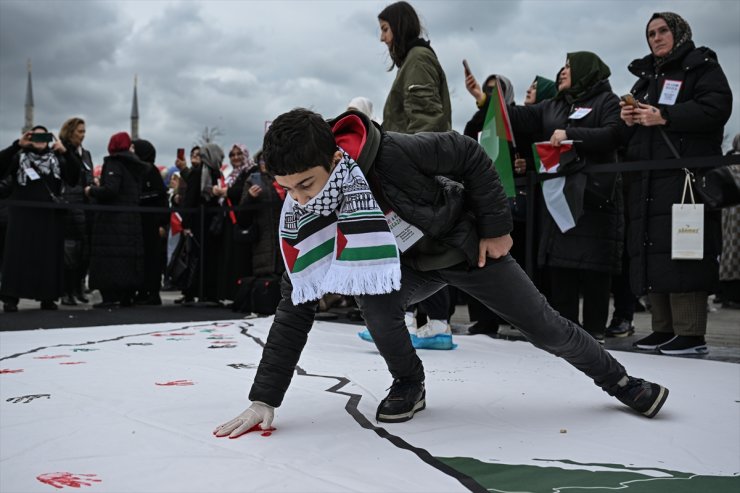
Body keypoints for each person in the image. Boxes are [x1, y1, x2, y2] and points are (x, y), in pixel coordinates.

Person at [213, 108, 670, 438]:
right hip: (401, 269)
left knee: (544, 326)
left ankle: (620, 381)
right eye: (287, 188)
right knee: (374, 301)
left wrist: (494, 228)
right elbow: (295, 307)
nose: (301, 199)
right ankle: (409, 382)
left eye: (307, 184)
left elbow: (469, 154)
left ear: (335, 159)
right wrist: (264, 398)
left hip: (460, 249)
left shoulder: (392, 152)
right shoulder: (302, 215)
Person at [619, 12, 733, 355]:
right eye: (651, 33)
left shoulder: (703, 67)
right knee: (654, 253)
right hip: (650, 181)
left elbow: (717, 108)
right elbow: (636, 132)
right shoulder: (644, 79)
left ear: (680, 32)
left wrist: (666, 115)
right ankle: (663, 328)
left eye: (663, 30)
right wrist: (628, 119)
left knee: (685, 253)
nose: (656, 37)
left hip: (684, 180)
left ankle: (690, 333)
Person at [507, 52, 623, 344]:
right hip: (558, 199)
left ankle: (595, 332)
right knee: (561, 267)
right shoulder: (553, 105)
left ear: (586, 70)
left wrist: (570, 134)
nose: (563, 72)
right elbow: (519, 116)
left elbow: (613, 134)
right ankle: (567, 336)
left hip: (593, 199)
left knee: (594, 268)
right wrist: (489, 101)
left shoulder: (607, 101)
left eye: (570, 67)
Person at [375, 1, 455, 347]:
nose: (382, 39)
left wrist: (404, 166)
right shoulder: (412, 62)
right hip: (411, 167)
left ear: (400, 28)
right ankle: (409, 320)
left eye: (385, 29)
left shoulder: (419, 60)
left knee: (421, 248)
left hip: (416, 169)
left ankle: (433, 323)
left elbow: (426, 122)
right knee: (410, 248)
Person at [0, 126, 79, 312]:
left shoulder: (57, 158)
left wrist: (66, 153)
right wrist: (16, 145)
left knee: (48, 257)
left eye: (43, 135)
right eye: (34, 135)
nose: (39, 139)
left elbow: (74, 178)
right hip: (22, 216)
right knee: (18, 256)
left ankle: (48, 296)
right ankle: (12, 297)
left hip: (49, 217)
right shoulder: (18, 157)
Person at [85, 132, 147, 308]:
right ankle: (126, 294)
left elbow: (111, 190)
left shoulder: (114, 163)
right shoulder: (136, 165)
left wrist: (92, 190)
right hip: (131, 220)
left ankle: (110, 296)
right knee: (127, 259)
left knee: (110, 259)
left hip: (113, 221)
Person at [180, 143, 223, 305]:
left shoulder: (215, 172)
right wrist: (187, 224)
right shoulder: (199, 172)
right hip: (199, 221)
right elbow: (189, 200)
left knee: (207, 257)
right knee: (196, 256)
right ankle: (192, 290)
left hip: (210, 221)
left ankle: (206, 291)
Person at [58, 117, 94, 306]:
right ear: (70, 131)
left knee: (83, 250)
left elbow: (87, 175)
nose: (83, 135)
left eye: (84, 131)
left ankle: (78, 287)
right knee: (68, 251)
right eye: (79, 131)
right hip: (68, 204)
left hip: (85, 204)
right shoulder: (61, 150)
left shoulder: (86, 154)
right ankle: (66, 290)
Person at [214, 144, 254, 303]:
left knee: (240, 258)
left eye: (239, 154)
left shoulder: (250, 170)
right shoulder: (231, 174)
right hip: (229, 221)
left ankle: (239, 294)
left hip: (242, 221)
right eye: (232, 154)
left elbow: (242, 191)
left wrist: (225, 192)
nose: (236, 157)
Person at [132, 139, 168, 305]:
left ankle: (152, 292)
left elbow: (160, 199)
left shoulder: (150, 171)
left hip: (152, 223)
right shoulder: (140, 170)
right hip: (142, 222)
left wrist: (162, 223)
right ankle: (143, 290)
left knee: (152, 258)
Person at [718, 134, 740, 309]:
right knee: (732, 252)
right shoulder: (731, 164)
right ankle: (728, 294)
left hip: (730, 214)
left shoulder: (728, 164)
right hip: (732, 215)